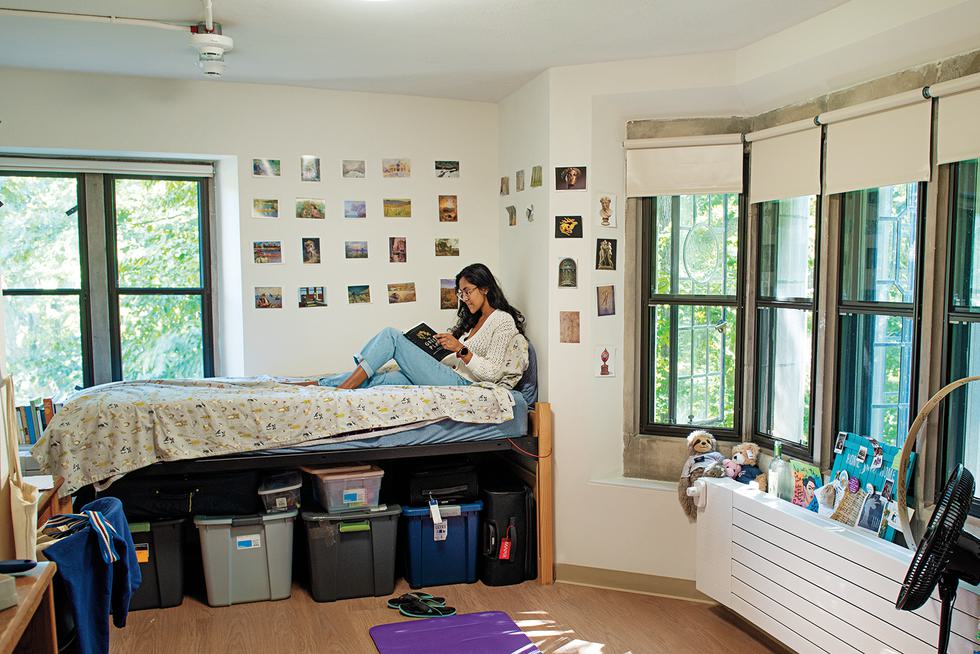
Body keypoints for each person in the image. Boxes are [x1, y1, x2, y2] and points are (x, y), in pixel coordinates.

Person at [317, 263, 529, 390]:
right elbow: (456, 358)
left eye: (467, 291)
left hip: (462, 385)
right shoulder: (474, 321)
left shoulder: (502, 321)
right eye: (461, 293)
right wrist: (435, 349)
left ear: (484, 288)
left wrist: (460, 349)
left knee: (392, 336)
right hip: (445, 373)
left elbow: (493, 373)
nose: (464, 298)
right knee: (384, 379)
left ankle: (342, 391)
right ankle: (320, 385)